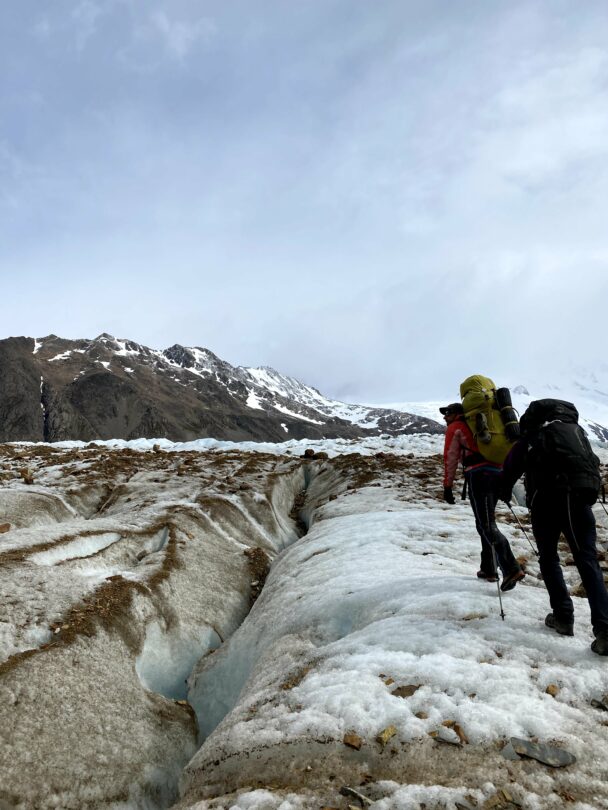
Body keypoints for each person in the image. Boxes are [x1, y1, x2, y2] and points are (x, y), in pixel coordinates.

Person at [501, 400, 608, 655]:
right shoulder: (576, 434)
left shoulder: (533, 437)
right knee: (587, 560)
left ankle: (563, 617)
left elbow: (509, 471)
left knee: (549, 559)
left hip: (547, 503)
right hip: (580, 501)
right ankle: (604, 628)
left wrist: (504, 491)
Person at [441, 402, 524, 591]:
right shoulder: (481, 425)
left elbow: (451, 456)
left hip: (479, 476)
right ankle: (489, 568)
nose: (444, 416)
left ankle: (511, 567)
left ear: (457, 414)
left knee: (486, 524)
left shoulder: (456, 427)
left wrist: (447, 486)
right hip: (496, 473)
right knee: (484, 522)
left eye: (447, 412)